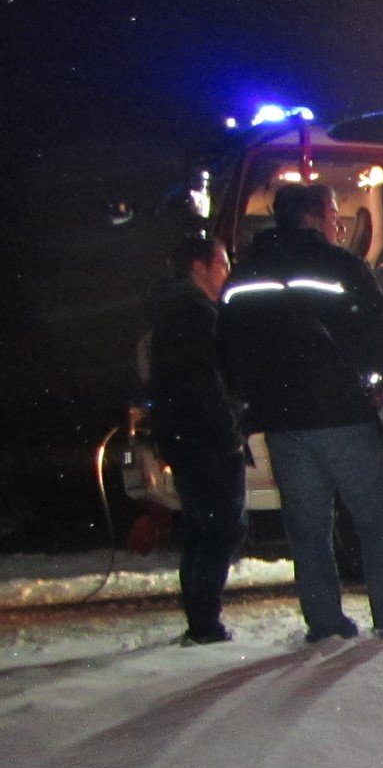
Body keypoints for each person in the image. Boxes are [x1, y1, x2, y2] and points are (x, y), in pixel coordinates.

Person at [219, 182, 383, 643]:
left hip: (282, 424)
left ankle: (325, 623)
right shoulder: (341, 267)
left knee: (307, 530)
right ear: (313, 216)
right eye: (334, 213)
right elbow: (381, 338)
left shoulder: (244, 276)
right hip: (344, 414)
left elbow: (228, 352)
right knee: (375, 523)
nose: (339, 224)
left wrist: (249, 405)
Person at [143, 233, 245, 644]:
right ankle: (205, 623)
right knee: (221, 527)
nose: (227, 272)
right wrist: (231, 428)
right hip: (209, 439)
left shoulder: (171, 312)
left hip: (184, 437)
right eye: (222, 264)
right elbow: (210, 382)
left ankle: (200, 617)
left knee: (203, 527)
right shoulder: (198, 315)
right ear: (199, 267)